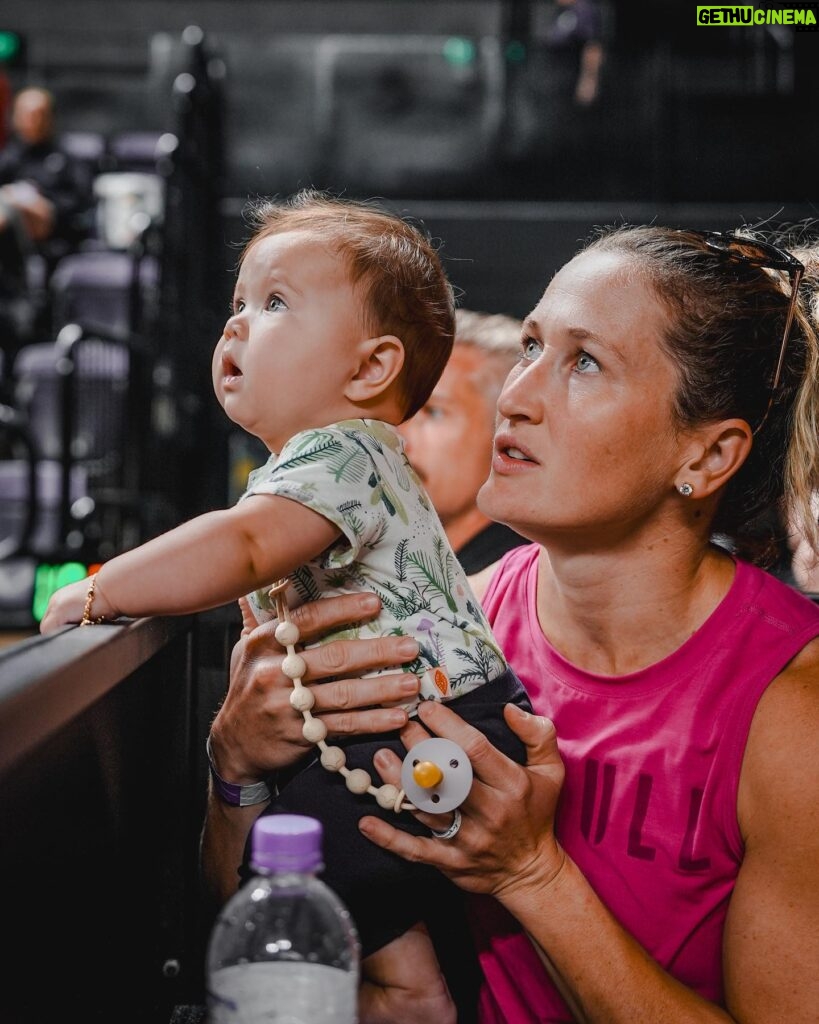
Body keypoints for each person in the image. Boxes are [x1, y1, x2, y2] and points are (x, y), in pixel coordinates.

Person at [203, 225, 819, 1023]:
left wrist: (531, 873)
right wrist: (237, 772)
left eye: (584, 363)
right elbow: (266, 938)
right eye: (529, 346)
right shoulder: (452, 621)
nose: (517, 395)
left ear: (704, 458)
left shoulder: (788, 711)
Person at [40, 189, 532, 1022]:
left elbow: (238, 549)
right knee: (332, 837)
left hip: (435, 725)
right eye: (237, 304)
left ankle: (411, 994)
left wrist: (94, 590)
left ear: (370, 368)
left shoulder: (341, 454)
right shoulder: (335, 461)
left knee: (308, 846)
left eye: (274, 304)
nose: (235, 326)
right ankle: (406, 982)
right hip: (434, 719)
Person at [398, 307, 527, 582]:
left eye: (432, 411)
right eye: (398, 409)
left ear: (507, 433)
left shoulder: (521, 586)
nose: (397, 433)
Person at [0, 86, 92, 359]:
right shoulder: (8, 159)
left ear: (50, 117)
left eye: (39, 114)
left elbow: (79, 209)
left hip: (53, 246)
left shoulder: (67, 160)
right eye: (26, 114)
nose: (33, 120)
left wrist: (35, 207)